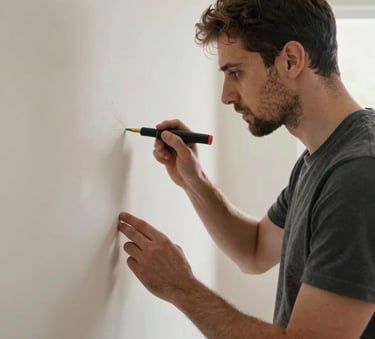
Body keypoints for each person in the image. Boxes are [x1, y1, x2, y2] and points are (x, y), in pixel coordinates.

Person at [118, 0, 375, 337]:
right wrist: (193, 179)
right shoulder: (322, 158)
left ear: (291, 60)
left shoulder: (358, 175)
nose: (226, 96)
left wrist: (181, 287)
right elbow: (254, 250)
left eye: (236, 72)